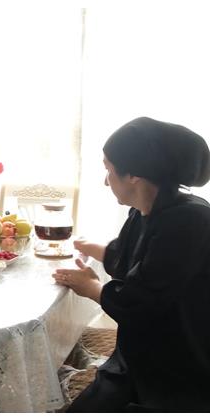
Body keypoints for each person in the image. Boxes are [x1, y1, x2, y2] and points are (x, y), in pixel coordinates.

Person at [53, 117, 210, 412]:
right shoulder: (145, 211)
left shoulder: (189, 221)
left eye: (109, 170)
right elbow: (126, 257)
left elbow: (141, 300)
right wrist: (87, 247)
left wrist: (91, 287)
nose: (106, 180)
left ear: (134, 175)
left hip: (178, 365)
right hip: (137, 355)